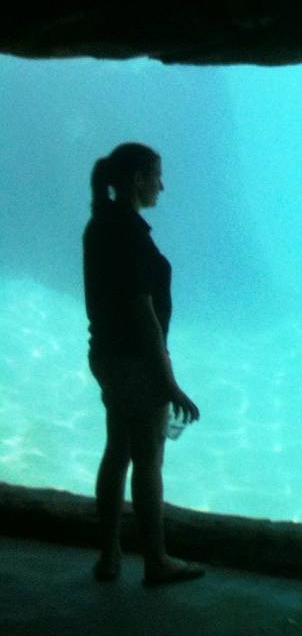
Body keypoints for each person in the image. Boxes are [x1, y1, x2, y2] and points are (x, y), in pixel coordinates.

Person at [82, 143, 203, 587]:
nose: (162, 186)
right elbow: (143, 315)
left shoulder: (100, 225)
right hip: (137, 362)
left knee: (117, 451)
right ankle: (156, 560)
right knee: (148, 460)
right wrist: (168, 383)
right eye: (156, 175)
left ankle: (109, 555)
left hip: (107, 356)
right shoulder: (129, 235)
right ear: (138, 180)